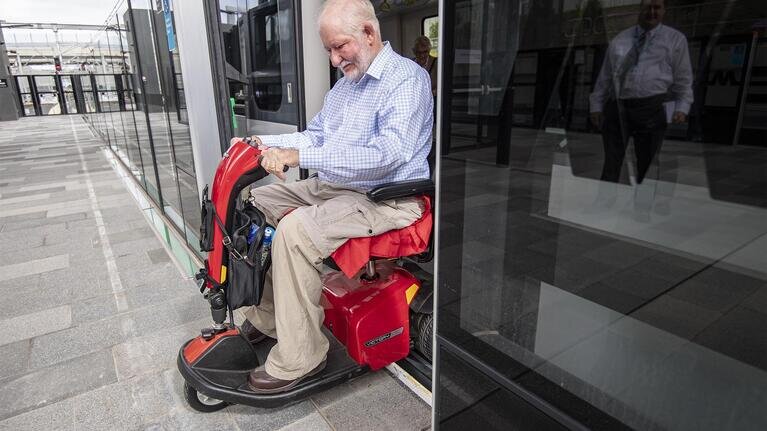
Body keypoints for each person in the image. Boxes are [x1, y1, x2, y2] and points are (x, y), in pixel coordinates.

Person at [232, 0, 433, 394]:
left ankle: (302, 357)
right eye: (328, 50)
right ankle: (271, 317)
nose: (335, 59)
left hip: (388, 196)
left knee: (295, 230)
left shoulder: (407, 80)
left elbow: (387, 154)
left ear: (369, 34)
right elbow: (315, 136)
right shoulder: (345, 87)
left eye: (340, 47)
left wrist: (298, 157)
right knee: (255, 206)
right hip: (339, 188)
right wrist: (259, 142)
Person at [589, 0, 693, 185]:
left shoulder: (675, 40)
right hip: (618, 107)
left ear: (664, 10)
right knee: (611, 163)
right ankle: (605, 200)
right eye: (647, 7)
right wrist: (596, 105)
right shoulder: (620, 39)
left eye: (657, 7)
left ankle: (642, 202)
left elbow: (683, 77)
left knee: (647, 165)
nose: (652, 12)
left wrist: (682, 106)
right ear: (640, 9)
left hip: (651, 108)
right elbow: (606, 75)